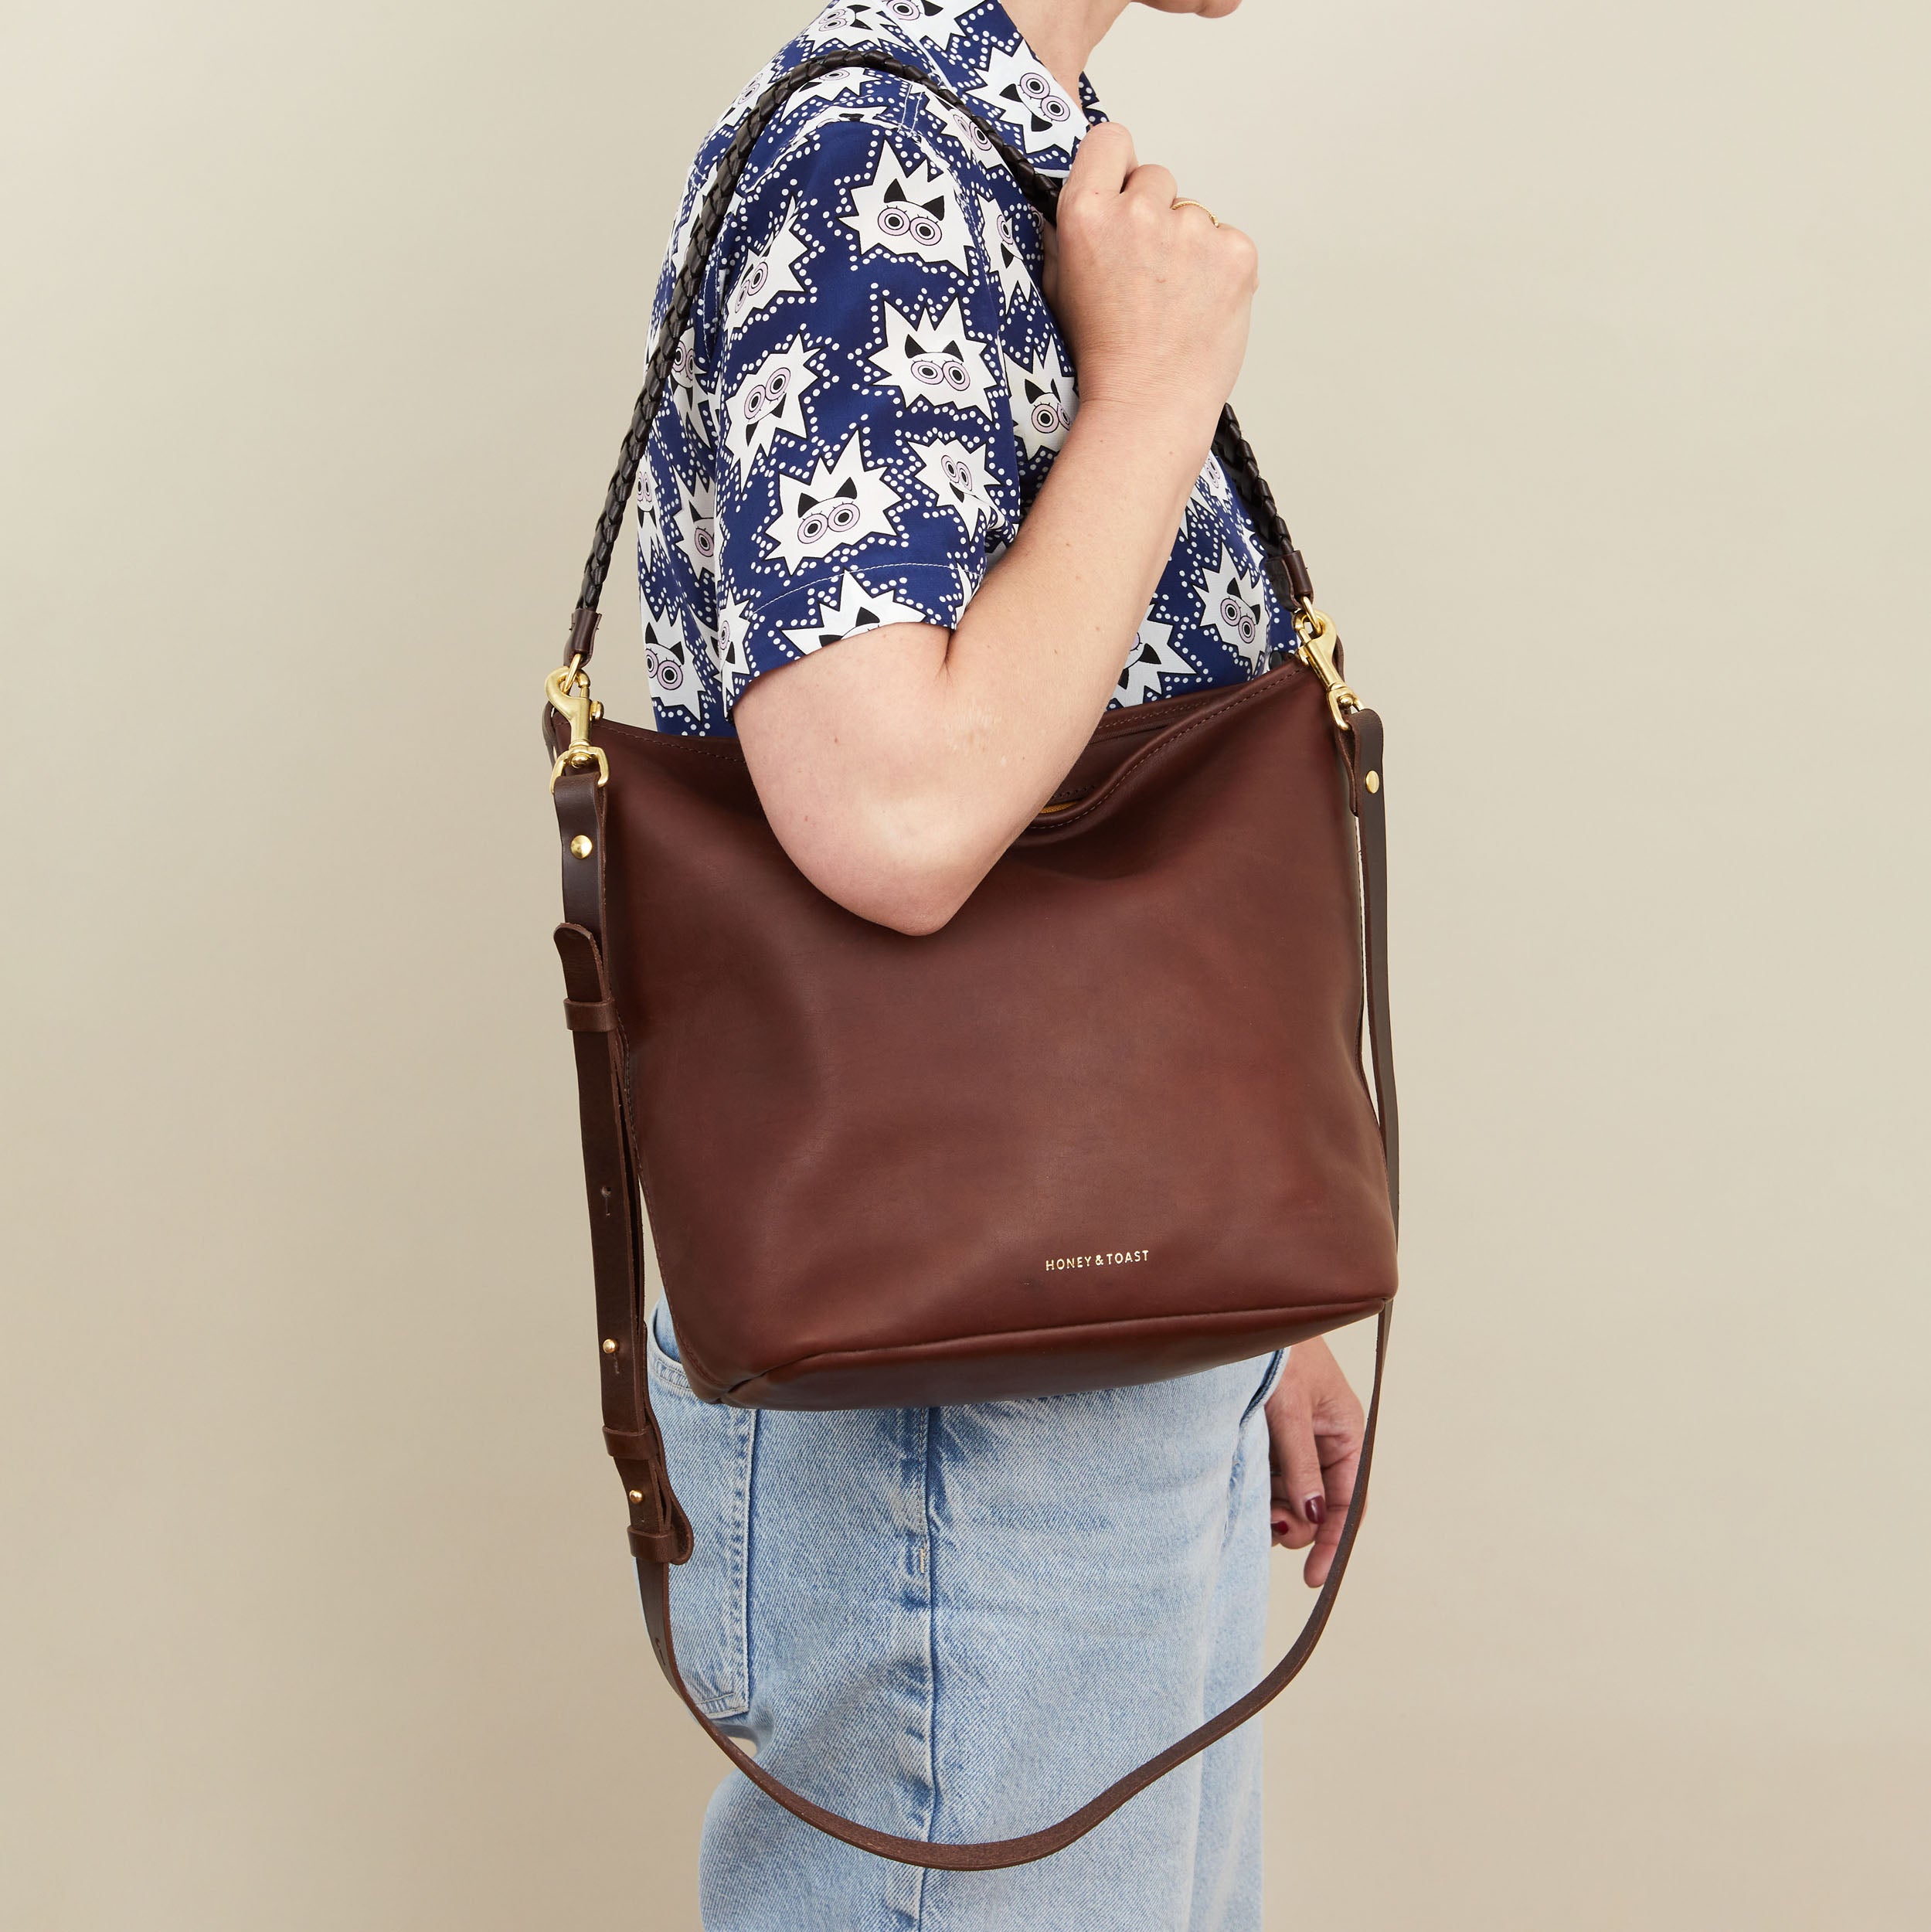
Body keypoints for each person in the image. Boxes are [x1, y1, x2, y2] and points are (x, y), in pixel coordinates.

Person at [634, 2, 1367, 1923]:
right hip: (953, 1387)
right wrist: (1154, 395)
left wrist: (1247, 1307)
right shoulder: (862, 173)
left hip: (1088, 1334)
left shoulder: (1021, 154)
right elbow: (892, 817)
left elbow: (1106, 766)